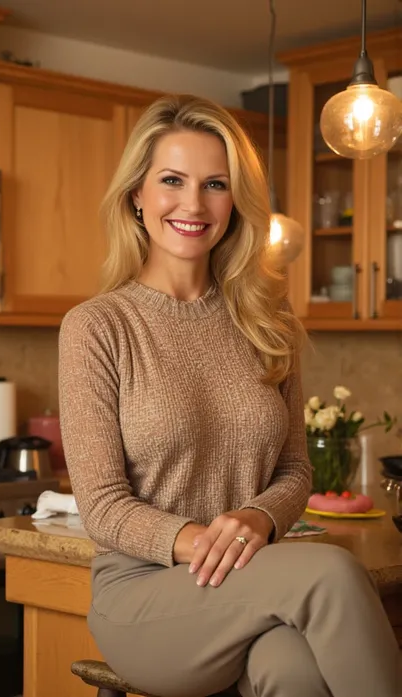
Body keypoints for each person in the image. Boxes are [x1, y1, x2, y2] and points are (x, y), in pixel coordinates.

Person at [58, 94, 401, 697]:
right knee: (332, 575)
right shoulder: (98, 326)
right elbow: (103, 506)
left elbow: (295, 469)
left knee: (293, 670)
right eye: (172, 180)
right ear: (137, 193)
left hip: (249, 583)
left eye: (214, 184)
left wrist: (258, 517)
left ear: (236, 200)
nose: (193, 204)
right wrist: (208, 543)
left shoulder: (268, 320)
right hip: (145, 596)